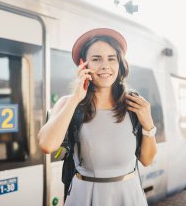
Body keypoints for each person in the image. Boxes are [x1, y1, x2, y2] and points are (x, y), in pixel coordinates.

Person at [38, 28, 157, 206]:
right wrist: (76, 98)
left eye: (111, 58)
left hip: (128, 197)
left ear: (120, 64)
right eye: (96, 59)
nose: (105, 66)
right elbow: (47, 145)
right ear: (83, 65)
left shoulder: (134, 105)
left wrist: (148, 125)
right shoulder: (67, 103)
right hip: (84, 196)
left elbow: (147, 160)